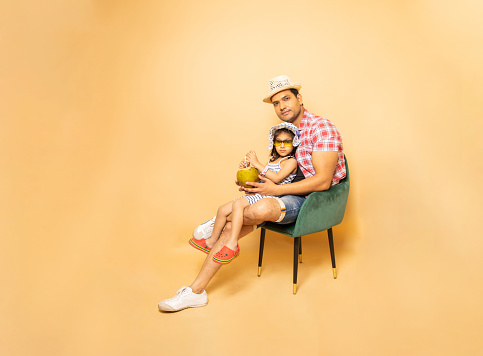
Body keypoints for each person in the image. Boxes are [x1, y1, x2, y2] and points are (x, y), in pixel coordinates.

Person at [158, 75, 346, 312]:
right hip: (285, 194)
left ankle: (216, 224)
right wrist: (255, 182)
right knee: (236, 220)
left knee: (255, 210)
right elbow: (281, 173)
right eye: (276, 103)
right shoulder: (286, 135)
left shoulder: (321, 128)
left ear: (299, 98)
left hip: (313, 202)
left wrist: (274, 190)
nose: (282, 106)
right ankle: (196, 291)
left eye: (286, 99)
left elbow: (322, 181)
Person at [188, 123, 300, 265]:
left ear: (294, 143)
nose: (282, 145)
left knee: (238, 204)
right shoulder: (272, 160)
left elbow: (277, 178)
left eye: (287, 142)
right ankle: (211, 242)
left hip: (273, 197)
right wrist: (247, 171)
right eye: (279, 142)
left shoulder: (290, 162)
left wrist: (257, 163)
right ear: (274, 143)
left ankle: (232, 243)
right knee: (222, 209)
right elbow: (262, 177)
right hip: (261, 192)